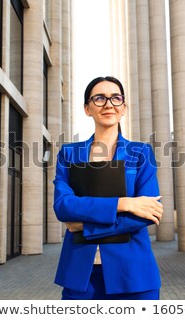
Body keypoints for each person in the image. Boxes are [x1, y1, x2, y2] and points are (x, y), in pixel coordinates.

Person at [53, 76, 163, 300]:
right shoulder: (69, 154)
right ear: (87, 109)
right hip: (80, 276)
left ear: (123, 108)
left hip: (133, 274)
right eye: (99, 98)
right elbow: (63, 206)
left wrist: (86, 227)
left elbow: (148, 213)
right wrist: (124, 203)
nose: (108, 104)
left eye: (116, 98)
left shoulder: (140, 153)